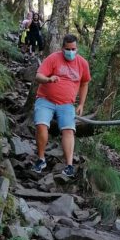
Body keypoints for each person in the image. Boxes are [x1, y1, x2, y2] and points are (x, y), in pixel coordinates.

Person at [32, 34, 91, 178]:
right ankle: (41, 159)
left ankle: (69, 165)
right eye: (68, 49)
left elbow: (84, 83)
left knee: (69, 130)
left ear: (77, 48)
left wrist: (82, 104)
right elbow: (38, 76)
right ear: (62, 48)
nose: (70, 52)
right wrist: (48, 79)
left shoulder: (82, 63)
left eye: (73, 49)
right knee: (41, 125)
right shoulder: (53, 58)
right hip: (46, 100)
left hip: (66, 104)